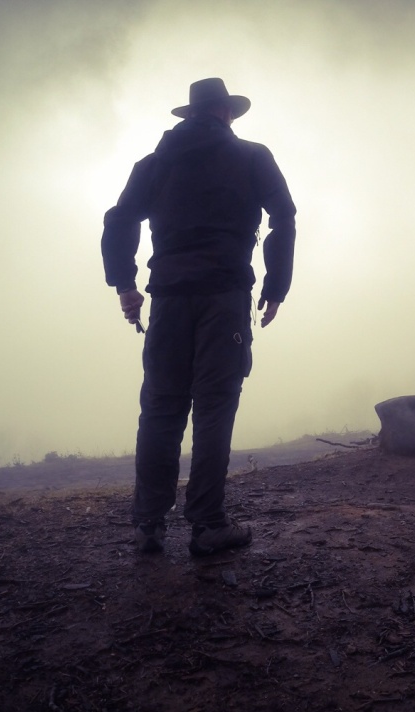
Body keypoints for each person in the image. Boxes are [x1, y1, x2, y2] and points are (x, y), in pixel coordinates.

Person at [101, 78, 296, 557]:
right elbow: (283, 218)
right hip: (224, 299)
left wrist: (126, 285)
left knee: (162, 409)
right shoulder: (252, 157)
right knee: (213, 407)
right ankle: (207, 526)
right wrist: (275, 288)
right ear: (226, 113)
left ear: (190, 116)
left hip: (168, 298)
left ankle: (148, 525)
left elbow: (119, 219)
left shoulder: (155, 163)